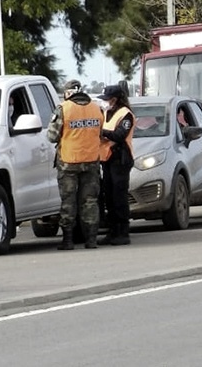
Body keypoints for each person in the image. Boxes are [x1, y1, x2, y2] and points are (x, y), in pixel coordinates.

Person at [46, 79, 104, 250]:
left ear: (68, 93)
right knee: (90, 201)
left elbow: (52, 136)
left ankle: (68, 240)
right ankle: (91, 239)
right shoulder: (96, 108)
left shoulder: (64, 109)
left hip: (68, 163)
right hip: (92, 161)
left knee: (68, 202)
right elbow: (100, 133)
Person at [98, 83, 135, 246]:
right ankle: (112, 231)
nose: (107, 102)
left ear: (117, 99)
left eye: (109, 99)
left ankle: (123, 232)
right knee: (109, 196)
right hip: (106, 159)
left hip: (120, 158)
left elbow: (120, 135)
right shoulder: (105, 113)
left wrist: (103, 134)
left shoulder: (125, 114)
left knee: (119, 196)